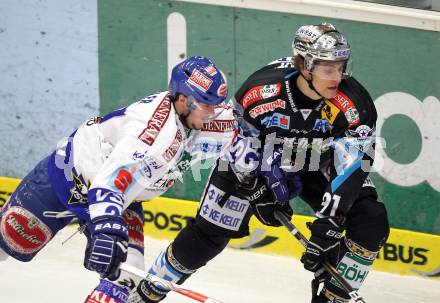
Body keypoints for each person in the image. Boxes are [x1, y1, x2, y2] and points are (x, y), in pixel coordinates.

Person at [130, 23, 390, 303]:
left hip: (317, 161)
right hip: (258, 160)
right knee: (208, 234)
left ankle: (332, 298)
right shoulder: (261, 91)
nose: (337, 77)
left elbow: (353, 165)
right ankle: (145, 293)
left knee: (370, 222)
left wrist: (329, 222)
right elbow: (235, 141)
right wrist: (256, 189)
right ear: (305, 66)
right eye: (329, 69)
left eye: (341, 67)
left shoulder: (354, 104)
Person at [0, 56, 235, 303]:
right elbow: (109, 184)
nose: (213, 114)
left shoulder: (204, 118)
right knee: (8, 238)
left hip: (121, 201)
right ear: (183, 100)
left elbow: (245, 131)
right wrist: (108, 229)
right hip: (68, 178)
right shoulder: (153, 134)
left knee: (124, 279)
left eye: (216, 105)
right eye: (206, 106)